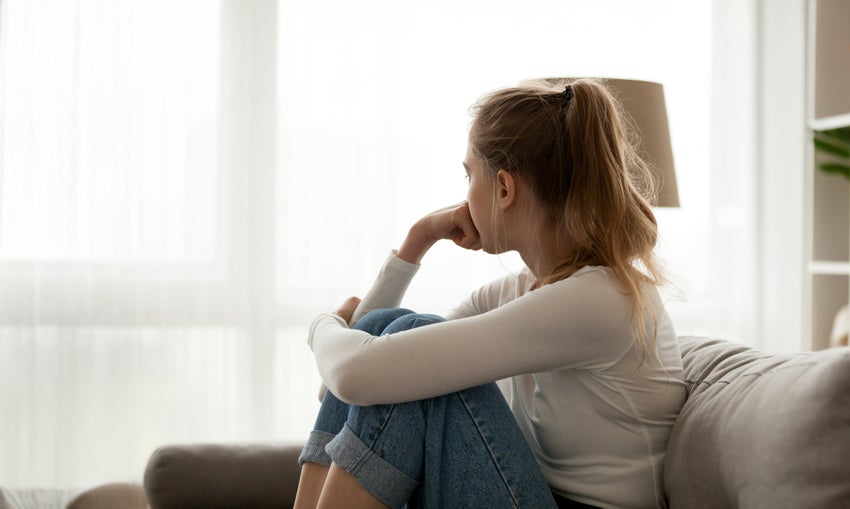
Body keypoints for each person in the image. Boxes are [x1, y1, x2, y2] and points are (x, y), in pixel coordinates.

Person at [293, 78, 686, 509]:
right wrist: (417, 240)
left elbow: (354, 374)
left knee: (412, 347)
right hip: (534, 494)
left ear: (504, 189)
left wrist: (322, 327)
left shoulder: (598, 300)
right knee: (398, 335)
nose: (464, 195)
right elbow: (366, 368)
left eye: (468, 176)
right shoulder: (526, 289)